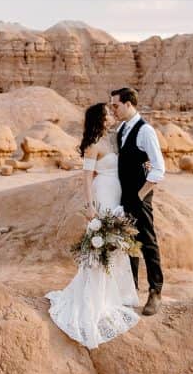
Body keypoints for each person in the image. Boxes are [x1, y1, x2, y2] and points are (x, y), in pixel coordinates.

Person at [46, 102, 139, 349]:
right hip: (102, 194)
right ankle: (96, 297)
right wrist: (90, 206)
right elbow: (87, 178)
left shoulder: (111, 140)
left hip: (115, 193)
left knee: (114, 242)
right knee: (103, 242)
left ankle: (114, 294)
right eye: (108, 113)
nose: (111, 115)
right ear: (100, 118)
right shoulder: (92, 145)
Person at [109, 87, 165, 316]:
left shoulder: (145, 131)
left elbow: (159, 168)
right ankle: (131, 290)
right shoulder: (122, 128)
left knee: (147, 242)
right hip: (123, 197)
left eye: (116, 105)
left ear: (128, 104)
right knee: (128, 243)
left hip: (139, 198)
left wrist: (140, 196)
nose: (113, 110)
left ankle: (156, 292)